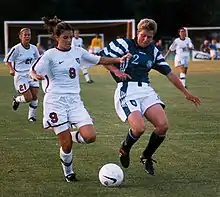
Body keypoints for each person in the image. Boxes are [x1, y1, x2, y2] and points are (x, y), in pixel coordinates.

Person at [30, 16, 131, 182]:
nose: (69, 40)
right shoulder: (49, 55)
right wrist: (36, 76)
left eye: (70, 37)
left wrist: (118, 60)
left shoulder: (77, 51)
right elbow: (33, 70)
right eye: (65, 37)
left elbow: (98, 59)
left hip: (75, 101)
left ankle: (69, 134)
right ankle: (68, 172)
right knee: (66, 145)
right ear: (56, 38)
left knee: (90, 136)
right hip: (55, 101)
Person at [99, 18, 200, 175]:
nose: (146, 39)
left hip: (146, 90)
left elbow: (170, 73)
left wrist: (186, 92)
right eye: (143, 35)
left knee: (162, 126)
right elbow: (101, 58)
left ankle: (147, 156)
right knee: (139, 128)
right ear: (137, 33)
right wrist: (116, 70)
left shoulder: (153, 51)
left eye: (150, 37)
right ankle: (125, 149)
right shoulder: (123, 44)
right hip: (127, 89)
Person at [4, 28, 40, 121]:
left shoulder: (34, 48)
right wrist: (11, 69)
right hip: (20, 76)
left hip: (31, 74)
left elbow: (38, 60)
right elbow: (7, 60)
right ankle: (17, 99)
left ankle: (31, 117)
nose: (27, 36)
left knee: (35, 96)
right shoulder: (16, 48)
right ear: (20, 36)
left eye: (29, 35)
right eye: (25, 35)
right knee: (28, 98)